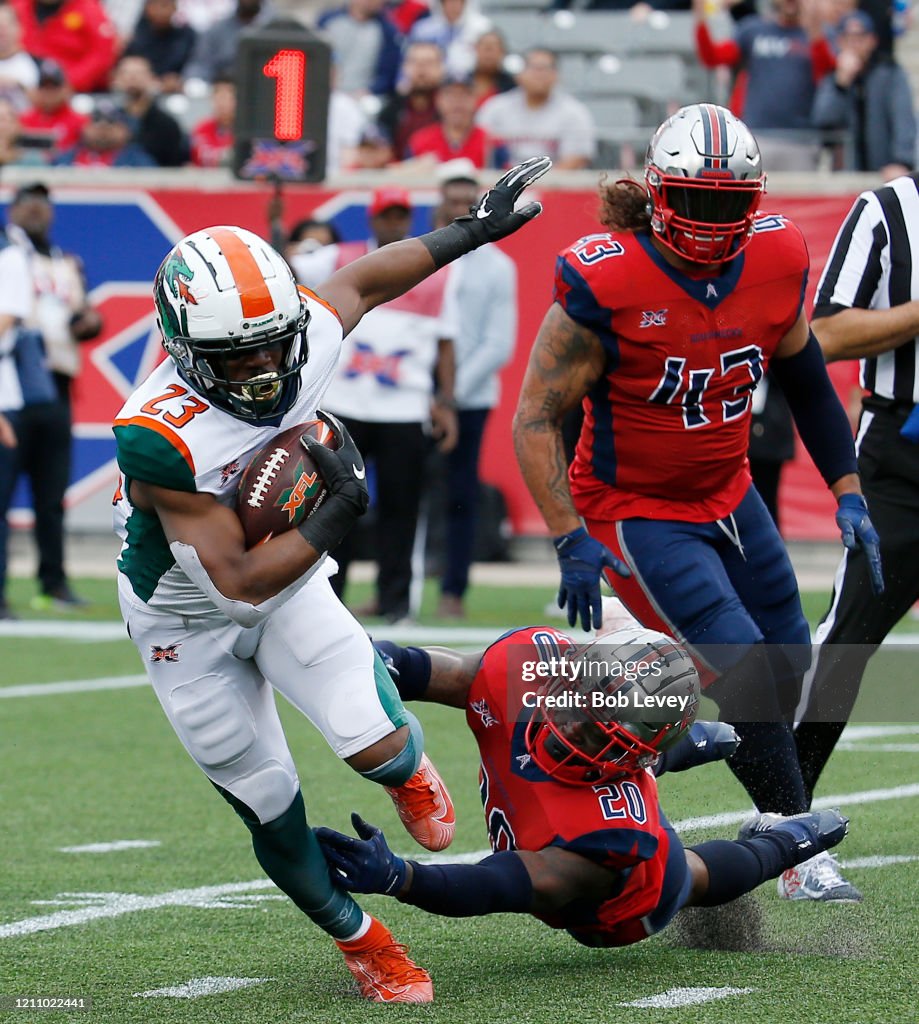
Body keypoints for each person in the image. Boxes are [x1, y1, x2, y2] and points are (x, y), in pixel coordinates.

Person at [111, 157, 549, 1002]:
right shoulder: (158, 435)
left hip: (291, 579)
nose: (265, 368)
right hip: (187, 618)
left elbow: (363, 277)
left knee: (374, 740)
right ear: (182, 350)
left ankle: (406, 768)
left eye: (273, 345)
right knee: (267, 795)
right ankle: (366, 943)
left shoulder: (299, 332)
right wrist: (339, 510)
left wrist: (472, 230)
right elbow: (235, 582)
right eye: (236, 359)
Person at [512, 103, 881, 902]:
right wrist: (568, 536)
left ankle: (674, 748)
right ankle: (794, 846)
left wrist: (845, 487)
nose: (713, 221)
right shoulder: (606, 274)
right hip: (635, 504)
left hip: (729, 489)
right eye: (696, 200)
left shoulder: (777, 255)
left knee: (786, 662)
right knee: (745, 666)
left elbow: (806, 376)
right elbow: (534, 416)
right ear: (658, 193)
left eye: (728, 203)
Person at [316, 626, 851, 949]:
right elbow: (424, 669)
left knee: (688, 874)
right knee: (605, 746)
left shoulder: (606, 836)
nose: (572, 721)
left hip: (616, 909)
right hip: (614, 765)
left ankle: (785, 843)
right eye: (580, 698)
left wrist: (400, 877)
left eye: (595, 726)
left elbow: (495, 886)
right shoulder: (530, 669)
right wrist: (363, 660)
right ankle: (693, 743)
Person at [793, 174, 919, 881]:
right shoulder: (889, 211)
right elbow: (827, 332)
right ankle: (786, 827)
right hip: (903, 455)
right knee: (845, 644)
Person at [293, 187, 461, 624]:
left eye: (401, 215)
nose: (394, 222)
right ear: (371, 219)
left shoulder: (437, 271)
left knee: (402, 512)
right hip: (342, 406)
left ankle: (396, 603)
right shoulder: (338, 257)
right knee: (330, 508)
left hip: (404, 409)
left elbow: (446, 343)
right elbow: (285, 263)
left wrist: (445, 401)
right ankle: (325, 598)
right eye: (387, 215)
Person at [7, 182, 102, 611]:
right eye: (27, 203)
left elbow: (79, 317)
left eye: (42, 205)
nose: (36, 211)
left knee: (51, 494)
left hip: (57, 382)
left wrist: (89, 323)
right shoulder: (9, 257)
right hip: (11, 384)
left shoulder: (66, 263)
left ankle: (54, 580)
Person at [431, 161, 517, 618]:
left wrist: (449, 392)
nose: (460, 205)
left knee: (460, 494)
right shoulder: (422, 253)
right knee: (401, 494)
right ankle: (393, 590)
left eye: (469, 198)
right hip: (412, 392)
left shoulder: (498, 266)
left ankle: (453, 590)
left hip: (468, 397)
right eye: (453, 197)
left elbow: (497, 344)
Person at [693, 0, 836, 171]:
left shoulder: (821, 35)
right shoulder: (753, 30)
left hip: (801, 140)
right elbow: (713, 57)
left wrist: (815, 31)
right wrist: (700, 16)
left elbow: (827, 73)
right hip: (757, 137)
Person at [812, 9, 915, 178]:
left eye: (860, 38)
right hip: (846, 173)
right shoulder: (833, 78)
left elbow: (903, 120)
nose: (854, 44)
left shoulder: (890, 74)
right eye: (848, 38)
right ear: (840, 41)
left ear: (872, 41)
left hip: (885, 171)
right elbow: (823, 120)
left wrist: (902, 161)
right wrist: (841, 84)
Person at [476, 47, 596, 170]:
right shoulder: (495, 108)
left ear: (556, 75)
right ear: (519, 75)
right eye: (533, 68)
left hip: (555, 185)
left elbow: (576, 158)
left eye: (545, 68)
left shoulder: (574, 112)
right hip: (500, 183)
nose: (539, 75)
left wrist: (536, 184)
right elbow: (479, 148)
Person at [11, 0, 119, 94]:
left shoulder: (87, 9)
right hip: (22, 87)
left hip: (75, 92)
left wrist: (68, 82)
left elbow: (102, 54)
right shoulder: (18, 7)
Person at [111, 55, 190, 167]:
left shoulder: (166, 125)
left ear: (152, 79)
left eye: (138, 74)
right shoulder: (110, 122)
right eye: (126, 73)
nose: (132, 78)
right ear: (117, 79)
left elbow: (175, 166)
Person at [124, 0, 198, 93]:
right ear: (147, 8)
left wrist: (181, 79)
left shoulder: (187, 36)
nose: (160, 11)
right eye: (155, 5)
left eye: (165, 5)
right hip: (142, 90)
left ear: (175, 8)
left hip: (177, 92)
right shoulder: (136, 37)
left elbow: (195, 65)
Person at [19, 59, 87, 158]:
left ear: (66, 89)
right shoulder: (23, 120)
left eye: (54, 87)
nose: (49, 93)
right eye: (44, 87)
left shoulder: (80, 121)